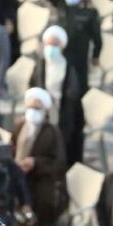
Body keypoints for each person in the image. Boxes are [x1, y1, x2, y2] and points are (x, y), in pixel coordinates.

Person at [12, 88, 69, 226]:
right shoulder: (20, 126)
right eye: (31, 107)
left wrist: (35, 163)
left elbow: (58, 162)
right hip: (21, 184)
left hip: (42, 186)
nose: (33, 111)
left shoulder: (52, 132)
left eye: (37, 108)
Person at [31, 26, 85, 165]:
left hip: (62, 111)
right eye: (49, 44)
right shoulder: (41, 64)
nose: (51, 48)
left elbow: (73, 92)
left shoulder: (68, 65)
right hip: (44, 110)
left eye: (55, 44)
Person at [42, 0, 100, 86]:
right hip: (63, 51)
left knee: (80, 82)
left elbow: (96, 36)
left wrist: (96, 55)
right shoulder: (61, 4)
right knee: (62, 81)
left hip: (80, 51)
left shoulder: (90, 12)